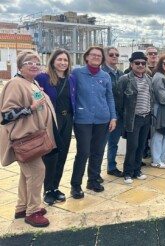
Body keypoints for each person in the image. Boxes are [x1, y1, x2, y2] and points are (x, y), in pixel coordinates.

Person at [0, 50, 56, 227]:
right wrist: (31, 108)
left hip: (34, 138)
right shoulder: (15, 83)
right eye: (29, 63)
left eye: (36, 62)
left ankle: (22, 207)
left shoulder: (32, 82)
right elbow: (6, 115)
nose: (34, 65)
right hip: (24, 139)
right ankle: (33, 212)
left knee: (28, 175)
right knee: (37, 171)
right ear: (20, 66)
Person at [70, 46, 117, 199]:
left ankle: (93, 180)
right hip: (83, 120)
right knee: (83, 152)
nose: (96, 57)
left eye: (99, 55)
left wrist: (113, 117)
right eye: (93, 55)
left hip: (102, 119)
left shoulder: (105, 76)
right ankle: (75, 185)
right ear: (87, 57)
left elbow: (109, 97)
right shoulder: (77, 73)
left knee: (98, 151)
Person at [35, 48, 76, 205]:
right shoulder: (42, 78)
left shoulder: (71, 79)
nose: (63, 63)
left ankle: (55, 187)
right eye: (59, 59)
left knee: (62, 154)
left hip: (67, 119)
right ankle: (47, 190)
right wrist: (40, 113)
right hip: (51, 120)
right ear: (52, 61)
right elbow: (36, 95)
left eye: (65, 60)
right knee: (50, 155)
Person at [116, 52, 153, 184]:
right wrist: (124, 116)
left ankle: (137, 170)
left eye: (143, 63)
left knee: (141, 145)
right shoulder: (125, 79)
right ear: (131, 64)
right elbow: (119, 102)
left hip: (146, 117)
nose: (140, 65)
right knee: (132, 146)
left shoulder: (149, 79)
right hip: (133, 119)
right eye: (137, 63)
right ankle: (128, 173)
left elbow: (151, 98)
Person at [102, 46, 125, 177]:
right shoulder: (102, 73)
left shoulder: (121, 74)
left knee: (113, 143)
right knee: (99, 146)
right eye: (111, 54)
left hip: (118, 115)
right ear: (105, 57)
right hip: (105, 115)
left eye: (117, 54)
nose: (115, 56)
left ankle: (111, 166)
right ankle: (94, 174)